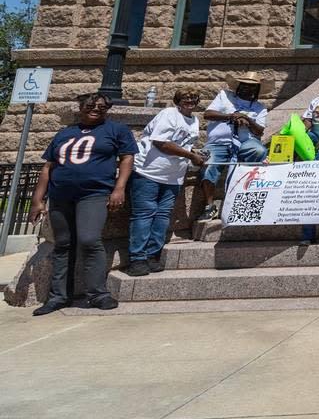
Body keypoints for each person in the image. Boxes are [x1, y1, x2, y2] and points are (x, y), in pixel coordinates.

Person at [28, 93, 138, 314]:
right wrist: (37, 200)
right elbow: (48, 167)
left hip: (94, 194)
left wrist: (119, 188)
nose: (96, 108)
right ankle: (59, 296)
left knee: (89, 240)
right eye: (90, 105)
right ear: (80, 107)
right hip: (60, 196)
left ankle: (98, 293)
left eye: (102, 106)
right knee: (63, 244)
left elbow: (127, 159)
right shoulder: (64, 133)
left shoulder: (117, 130)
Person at [125, 88, 205, 277]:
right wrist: (191, 155)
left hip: (173, 176)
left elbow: (185, 143)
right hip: (148, 172)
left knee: (162, 215)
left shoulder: (194, 120)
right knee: (144, 214)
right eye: (185, 97)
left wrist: (194, 154)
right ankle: (137, 258)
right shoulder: (168, 114)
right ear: (177, 100)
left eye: (193, 98)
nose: (190, 101)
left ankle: (153, 255)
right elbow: (161, 142)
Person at [198, 72, 270, 221]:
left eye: (252, 87)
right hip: (218, 143)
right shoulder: (225, 96)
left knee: (259, 150)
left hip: (245, 143)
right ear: (238, 86)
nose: (247, 89)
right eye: (244, 86)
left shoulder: (260, 108)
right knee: (207, 165)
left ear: (256, 91)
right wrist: (231, 116)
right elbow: (208, 114)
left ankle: (244, 199)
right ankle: (210, 206)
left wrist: (247, 120)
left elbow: (260, 131)